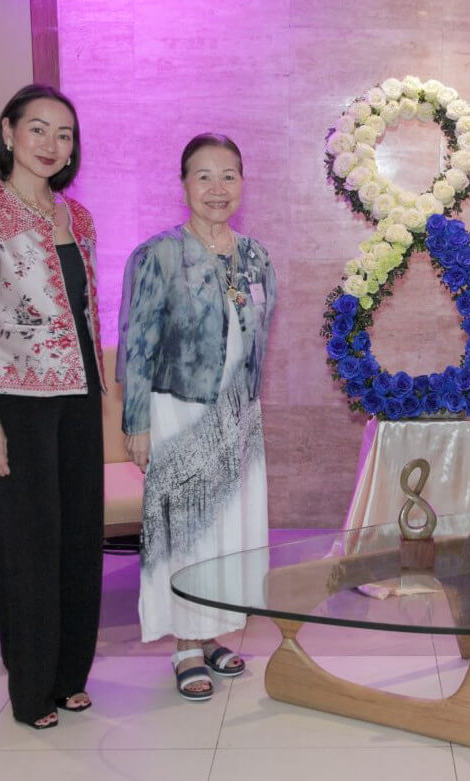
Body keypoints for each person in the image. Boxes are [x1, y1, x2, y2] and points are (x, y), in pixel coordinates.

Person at [0, 84, 104, 729]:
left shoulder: (80, 217)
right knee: (31, 547)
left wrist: (108, 392)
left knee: (78, 541)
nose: (51, 144)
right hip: (20, 402)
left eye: (64, 134)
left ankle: (70, 675)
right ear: (9, 132)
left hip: (82, 398)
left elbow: (87, 313)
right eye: (38, 129)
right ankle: (31, 689)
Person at [118, 133, 276, 701]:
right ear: (183, 184)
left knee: (229, 530)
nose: (217, 188)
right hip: (177, 413)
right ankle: (185, 644)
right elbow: (135, 346)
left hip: (239, 415)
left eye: (228, 175)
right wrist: (135, 422)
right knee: (184, 530)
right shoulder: (156, 254)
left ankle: (214, 633)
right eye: (203, 176)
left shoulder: (256, 256)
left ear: (243, 182)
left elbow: (255, 340)